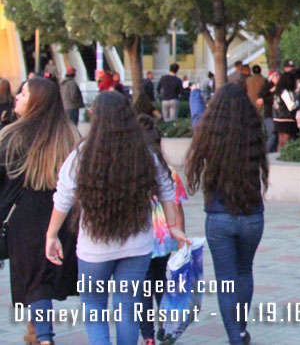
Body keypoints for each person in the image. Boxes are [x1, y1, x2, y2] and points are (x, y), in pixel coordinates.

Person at [45, 91, 187, 345]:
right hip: (138, 245)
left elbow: (63, 196)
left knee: (94, 305)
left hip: (94, 247)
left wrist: (51, 234)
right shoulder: (144, 153)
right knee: (127, 307)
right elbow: (167, 187)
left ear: (95, 117)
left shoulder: (82, 155)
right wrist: (173, 226)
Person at [185, 84, 269, 345]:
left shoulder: (209, 133)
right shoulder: (254, 131)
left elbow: (197, 118)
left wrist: (194, 95)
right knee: (244, 272)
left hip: (219, 217)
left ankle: (235, 337)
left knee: (226, 280)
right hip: (252, 215)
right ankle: (241, 330)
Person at [0, 78, 79, 345]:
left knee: (34, 282)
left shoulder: (12, 135)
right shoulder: (69, 134)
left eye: (23, 94)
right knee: (44, 278)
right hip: (62, 213)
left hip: (25, 216)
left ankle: (43, 337)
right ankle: (36, 333)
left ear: (37, 101)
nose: (17, 98)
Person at [137, 116, 187, 345]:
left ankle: (147, 336)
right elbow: (177, 208)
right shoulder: (170, 172)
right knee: (163, 286)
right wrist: (180, 238)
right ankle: (166, 327)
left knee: (142, 291)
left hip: (142, 241)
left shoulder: (134, 173)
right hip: (165, 239)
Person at [272, 70, 299, 149]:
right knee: (286, 141)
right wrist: (298, 102)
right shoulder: (286, 92)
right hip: (287, 119)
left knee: (280, 141)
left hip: (277, 118)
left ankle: (278, 156)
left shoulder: (277, 91)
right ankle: (284, 156)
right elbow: (291, 106)